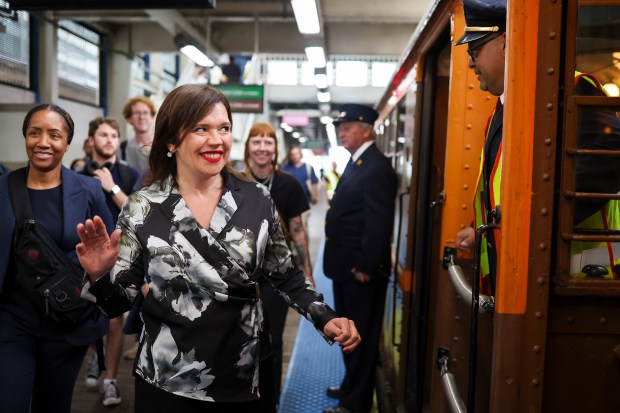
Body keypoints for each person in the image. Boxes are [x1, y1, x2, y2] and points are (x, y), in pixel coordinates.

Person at [75, 84, 361, 413]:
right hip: (168, 378)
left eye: (224, 128)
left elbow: (285, 275)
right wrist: (99, 274)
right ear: (171, 141)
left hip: (244, 372)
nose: (217, 140)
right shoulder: (143, 206)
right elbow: (117, 303)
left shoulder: (256, 199)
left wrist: (324, 317)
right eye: (201, 129)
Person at [0, 104, 114, 413]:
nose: (43, 143)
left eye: (54, 135)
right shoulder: (4, 188)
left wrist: (101, 267)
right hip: (13, 319)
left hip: (67, 320)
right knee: (9, 402)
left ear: (67, 142)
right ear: (25, 136)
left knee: (53, 405)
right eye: (35, 133)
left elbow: (112, 247)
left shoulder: (88, 189)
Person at [322, 103, 397, 413]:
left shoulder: (377, 167)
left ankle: (356, 404)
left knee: (359, 340)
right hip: (345, 268)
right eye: (341, 127)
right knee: (347, 333)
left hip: (359, 272)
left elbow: (379, 222)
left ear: (367, 129)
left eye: (348, 126)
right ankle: (351, 386)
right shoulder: (358, 162)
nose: (342, 132)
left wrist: (366, 266)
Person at [243, 122, 315, 405]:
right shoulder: (234, 180)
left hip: (276, 274)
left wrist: (307, 270)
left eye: (268, 142)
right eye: (256, 142)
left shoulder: (288, 184)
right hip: (239, 273)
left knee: (272, 338)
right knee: (241, 337)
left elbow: (297, 230)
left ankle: (270, 400)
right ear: (248, 147)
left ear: (275, 149)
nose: (262, 148)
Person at [80, 117, 140, 406]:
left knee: (114, 317)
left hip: (120, 252)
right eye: (103, 135)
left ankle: (111, 380)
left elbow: (137, 212)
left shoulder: (129, 173)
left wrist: (111, 186)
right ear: (92, 140)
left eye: (114, 135)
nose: (109, 140)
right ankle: (97, 354)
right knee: (90, 314)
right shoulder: (77, 171)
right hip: (83, 253)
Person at [453, 0, 507, 295]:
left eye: (474, 51)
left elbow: (595, 174)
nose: (471, 63)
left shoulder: (575, 90)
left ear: (505, 43)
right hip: (507, 274)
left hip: (570, 275)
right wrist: (480, 231)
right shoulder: (498, 113)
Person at [120, 95, 156, 182]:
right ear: (128, 119)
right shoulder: (123, 148)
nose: (141, 117)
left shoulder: (166, 145)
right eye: (136, 113)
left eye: (145, 113)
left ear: (152, 117)